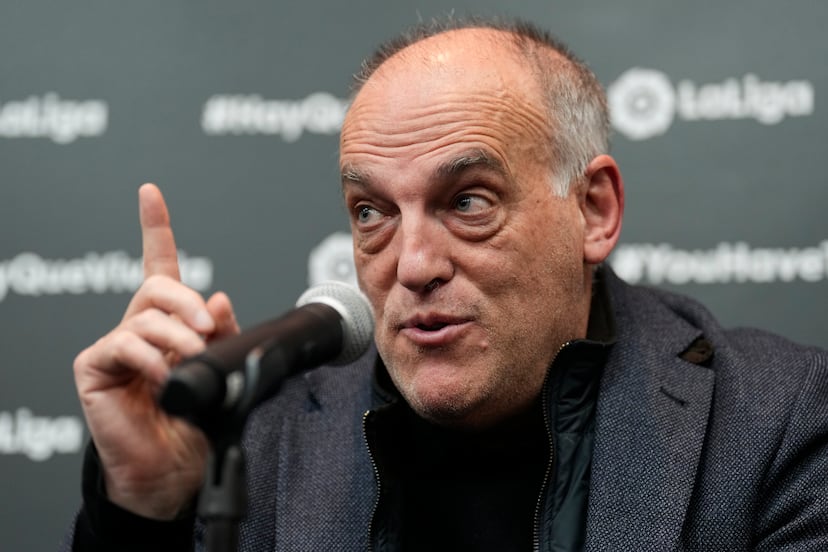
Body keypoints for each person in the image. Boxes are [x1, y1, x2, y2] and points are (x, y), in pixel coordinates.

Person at [62, 17, 828, 552]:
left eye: (467, 203)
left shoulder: (779, 420)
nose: (412, 265)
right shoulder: (265, 438)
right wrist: (142, 519)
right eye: (372, 213)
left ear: (593, 210)